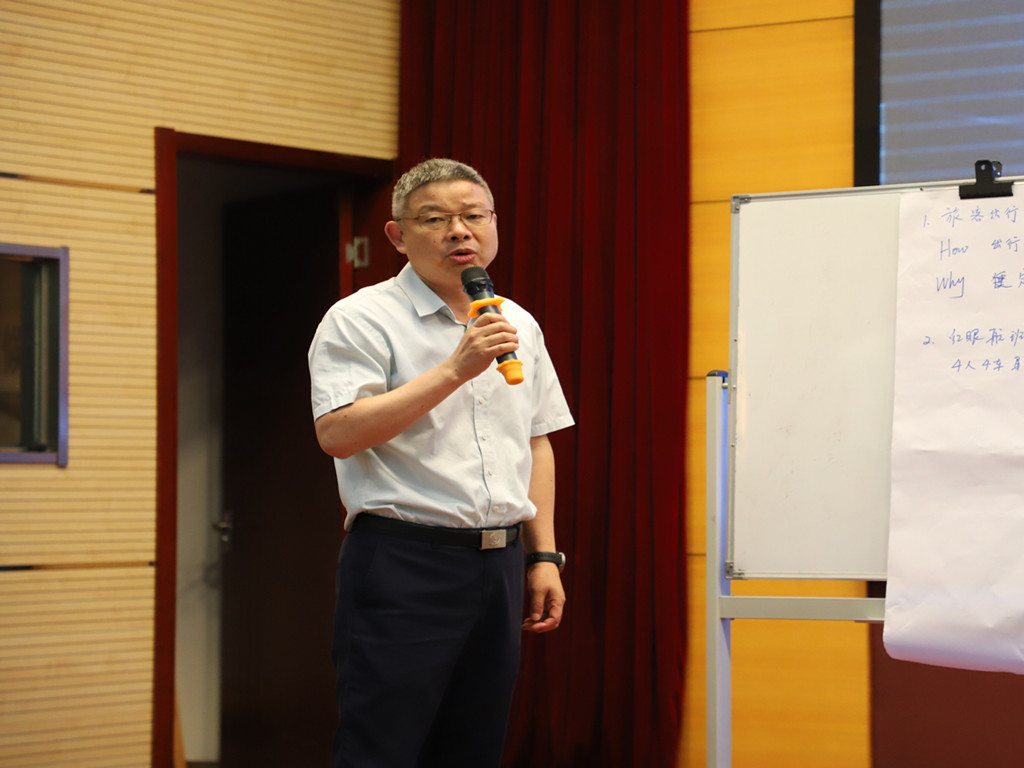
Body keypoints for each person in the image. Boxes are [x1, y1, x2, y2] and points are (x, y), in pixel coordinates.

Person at [307, 157, 574, 768]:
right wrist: (456, 369)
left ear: (494, 224)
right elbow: (338, 434)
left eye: (474, 215)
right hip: (403, 562)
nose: (459, 231)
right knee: (383, 749)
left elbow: (536, 441)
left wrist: (544, 556)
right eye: (435, 219)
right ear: (398, 236)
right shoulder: (360, 318)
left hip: (500, 564)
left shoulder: (516, 322)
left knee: (474, 748)